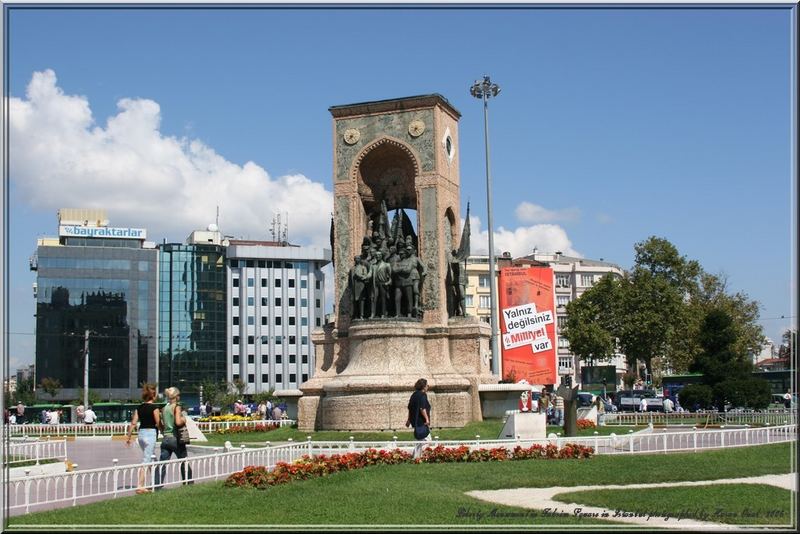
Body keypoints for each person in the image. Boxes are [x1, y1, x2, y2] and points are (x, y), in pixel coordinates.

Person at [125, 383, 161, 494]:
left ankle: (155, 482)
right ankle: (140, 486)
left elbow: (133, 423)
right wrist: (164, 430)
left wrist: (128, 436)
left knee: (150, 457)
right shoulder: (154, 408)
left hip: (141, 435)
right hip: (150, 434)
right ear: (153, 396)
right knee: (146, 460)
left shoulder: (139, 408)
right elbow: (158, 423)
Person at [155, 387, 193, 489]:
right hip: (175, 438)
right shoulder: (176, 407)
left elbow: (160, 424)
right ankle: (188, 482)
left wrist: (164, 432)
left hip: (166, 439)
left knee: (162, 463)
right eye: (178, 395)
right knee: (183, 460)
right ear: (176, 397)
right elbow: (178, 422)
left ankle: (157, 485)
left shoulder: (164, 408)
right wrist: (184, 419)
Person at [405, 378, 432, 459]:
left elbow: (410, 408)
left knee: (419, 440)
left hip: (414, 421)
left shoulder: (414, 395)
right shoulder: (423, 395)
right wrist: (427, 419)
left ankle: (416, 457)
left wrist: (409, 420)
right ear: (423, 386)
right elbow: (422, 408)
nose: (428, 387)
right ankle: (422, 457)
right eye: (427, 385)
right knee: (428, 439)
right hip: (421, 421)